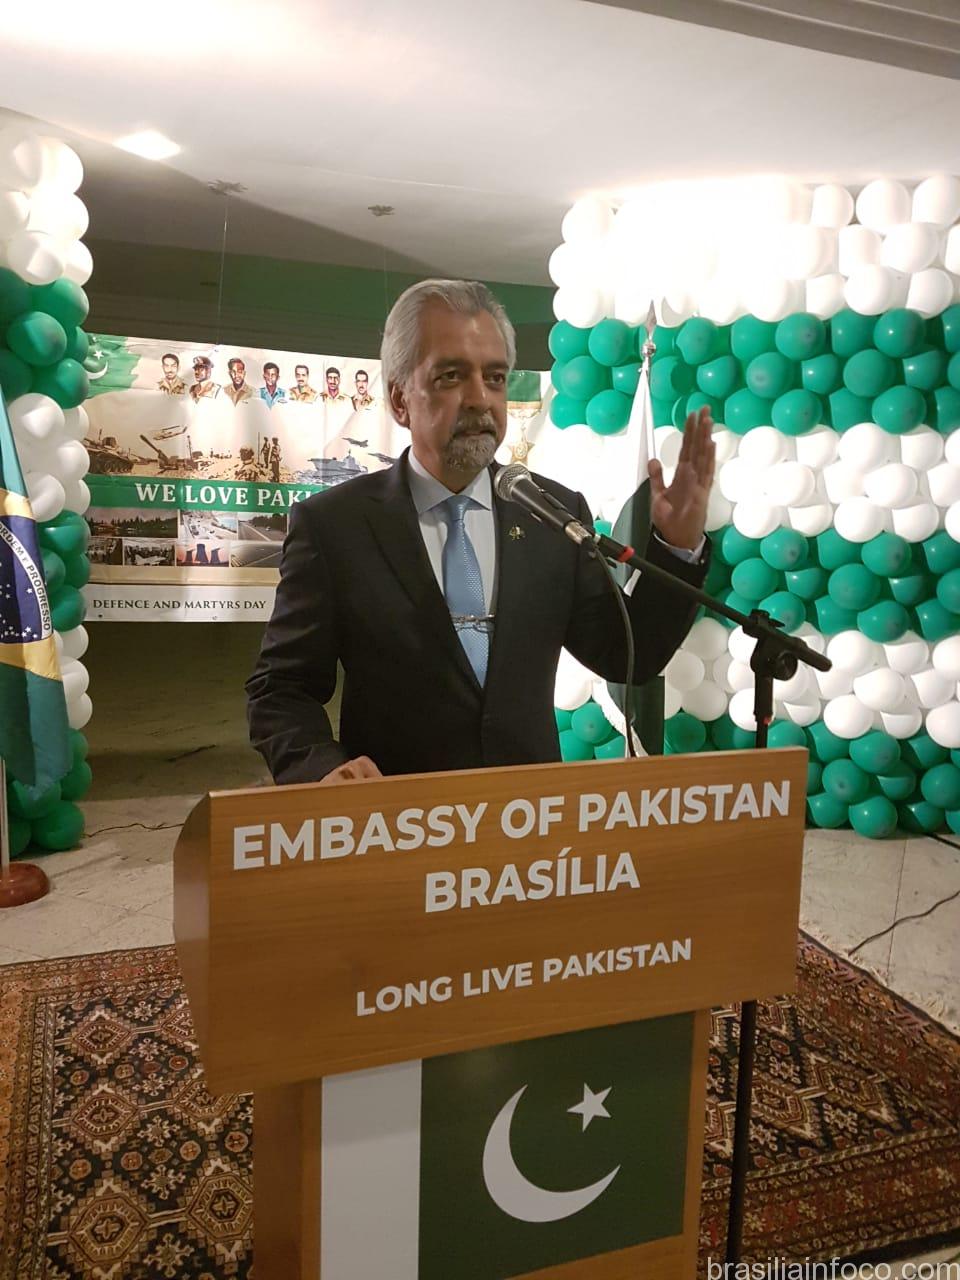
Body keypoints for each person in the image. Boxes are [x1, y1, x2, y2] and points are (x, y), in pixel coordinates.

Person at [247, 279, 713, 786]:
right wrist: (322, 766)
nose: (479, 399)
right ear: (400, 400)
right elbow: (282, 688)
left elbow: (626, 655)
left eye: (494, 378)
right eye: (451, 376)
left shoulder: (553, 514)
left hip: (530, 815)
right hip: (395, 816)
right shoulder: (335, 526)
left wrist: (676, 547)